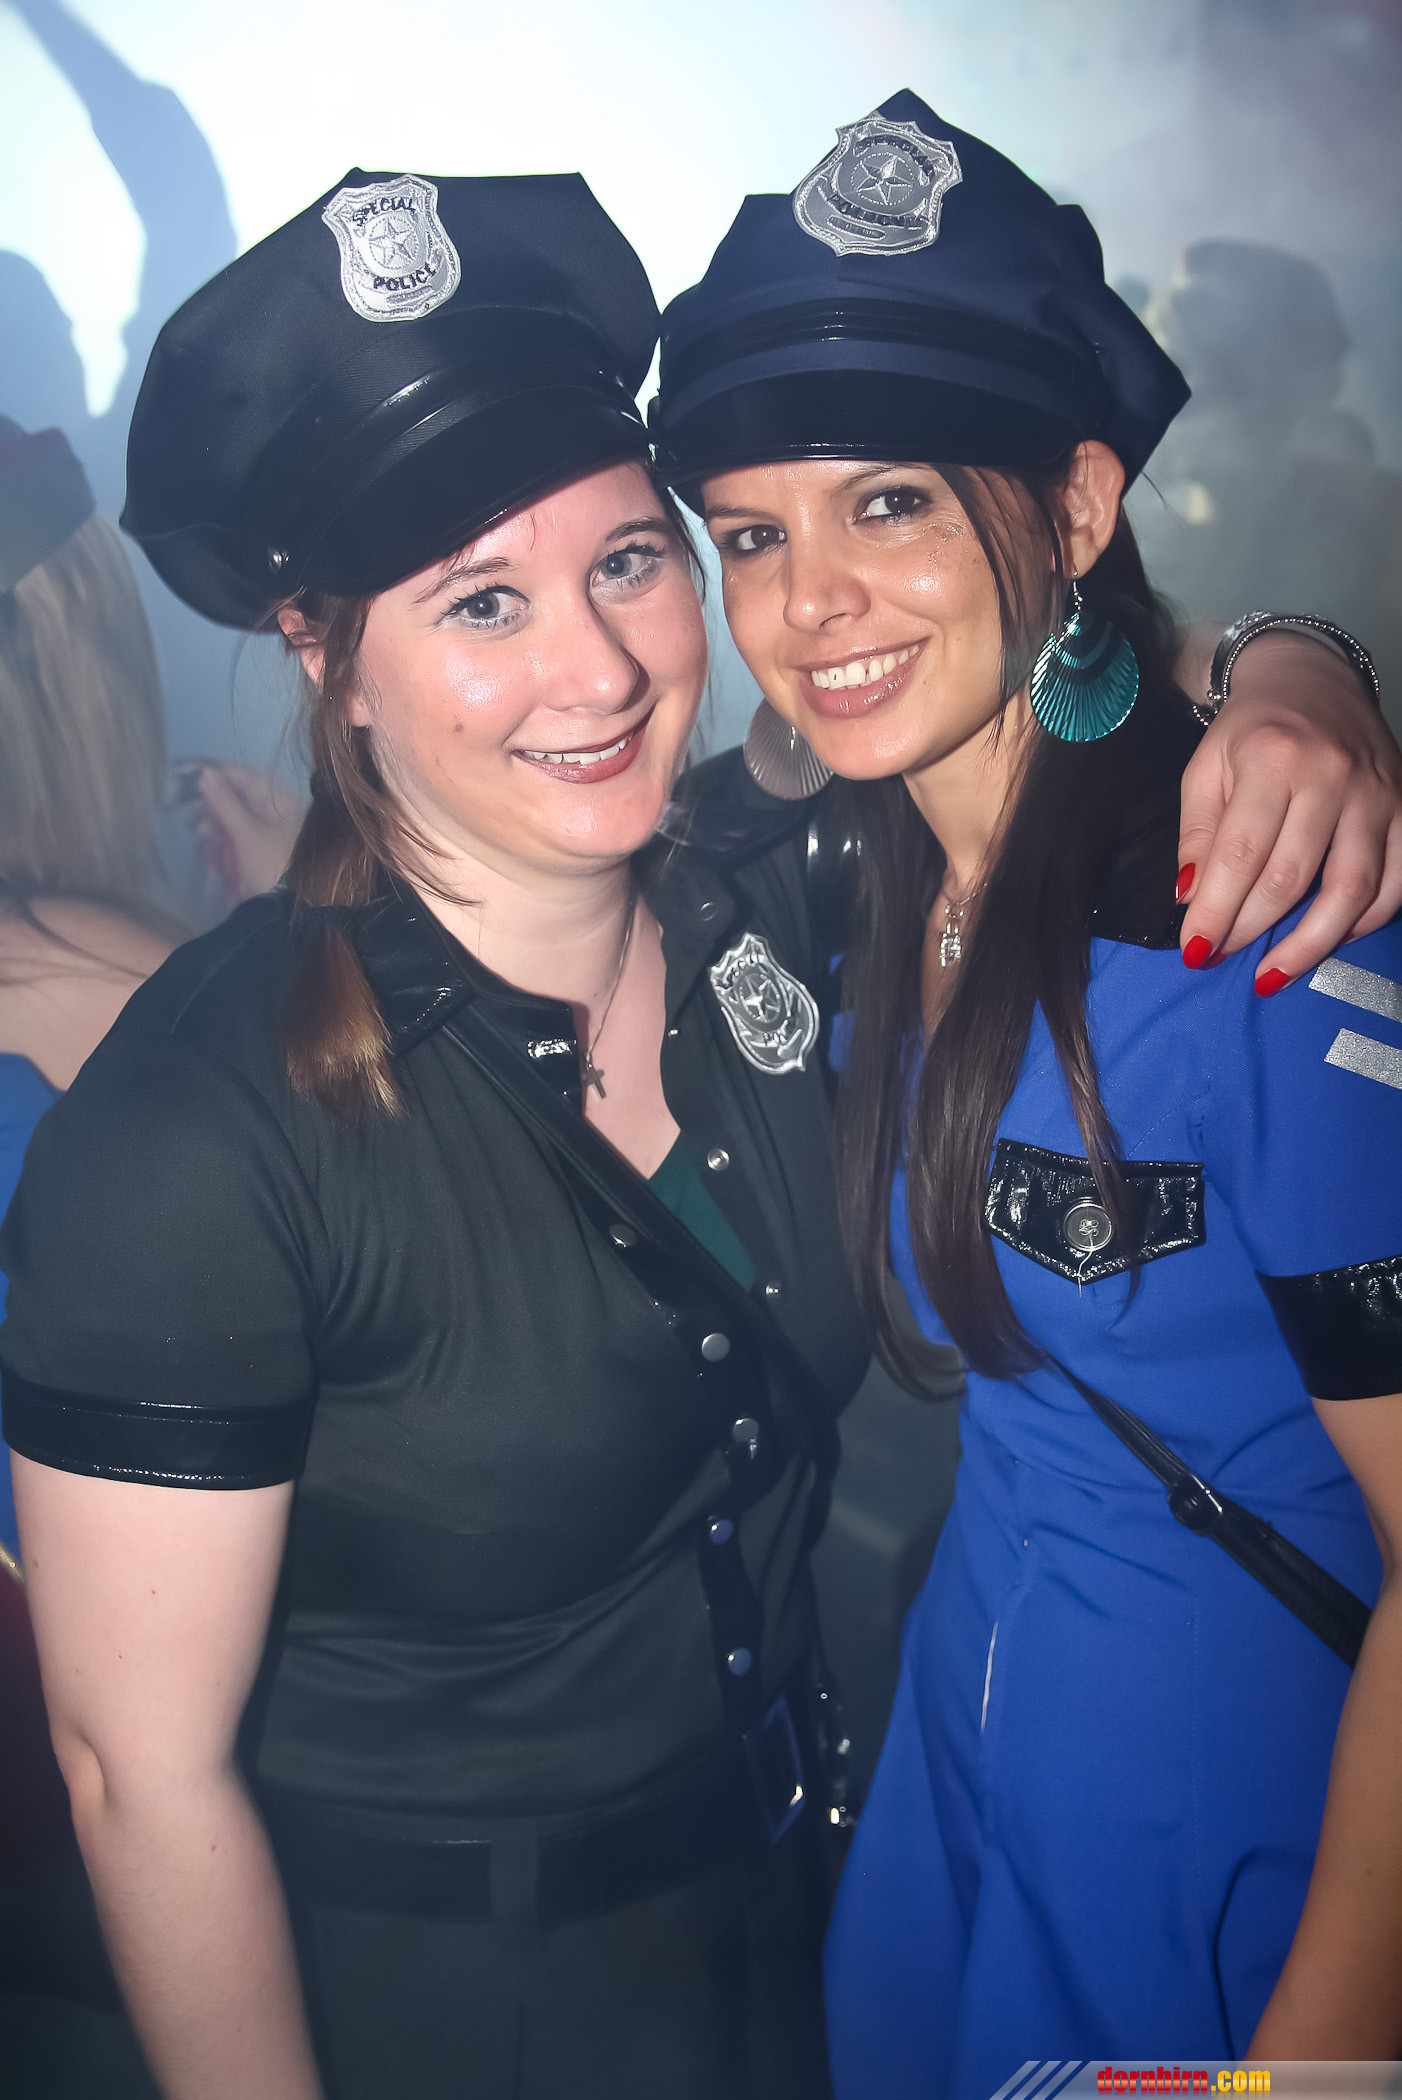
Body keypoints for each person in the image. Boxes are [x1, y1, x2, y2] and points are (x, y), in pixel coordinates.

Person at [0, 160, 1394, 2100]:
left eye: (631, 561)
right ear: (324, 655)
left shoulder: (785, 894)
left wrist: (1296, 672)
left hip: (837, 1930)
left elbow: (1037, 690)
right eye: (481, 601)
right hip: (456, 2021)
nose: (597, 668)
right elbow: (132, 1777)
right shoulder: (199, 1132)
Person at [649, 92, 1402, 2088]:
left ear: (1073, 507)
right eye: (750, 536)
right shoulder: (846, 862)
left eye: (887, 502)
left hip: (1228, 1869)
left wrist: (1319, 2060)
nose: (806, 604)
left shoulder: (1262, 927)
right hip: (958, 1799)